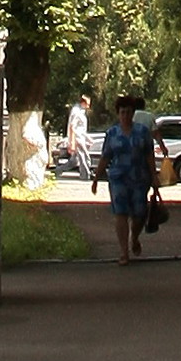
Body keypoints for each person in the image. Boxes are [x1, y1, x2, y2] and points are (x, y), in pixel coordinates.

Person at [98, 91, 157, 263]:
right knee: (121, 213)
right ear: (118, 114)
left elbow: (149, 155)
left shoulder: (142, 132)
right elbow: (105, 156)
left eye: (128, 112)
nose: (125, 115)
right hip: (118, 179)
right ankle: (124, 252)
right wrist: (96, 178)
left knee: (139, 213)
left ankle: (135, 237)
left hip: (139, 178)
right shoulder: (112, 133)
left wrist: (154, 176)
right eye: (122, 112)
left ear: (133, 113)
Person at [64, 94, 93, 179]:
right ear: (83, 103)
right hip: (77, 138)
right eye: (87, 104)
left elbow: (82, 128)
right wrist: (72, 141)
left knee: (74, 161)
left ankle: (57, 171)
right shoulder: (76, 111)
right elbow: (72, 126)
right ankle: (85, 175)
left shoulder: (81, 111)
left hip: (81, 137)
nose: (88, 107)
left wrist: (88, 138)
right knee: (84, 156)